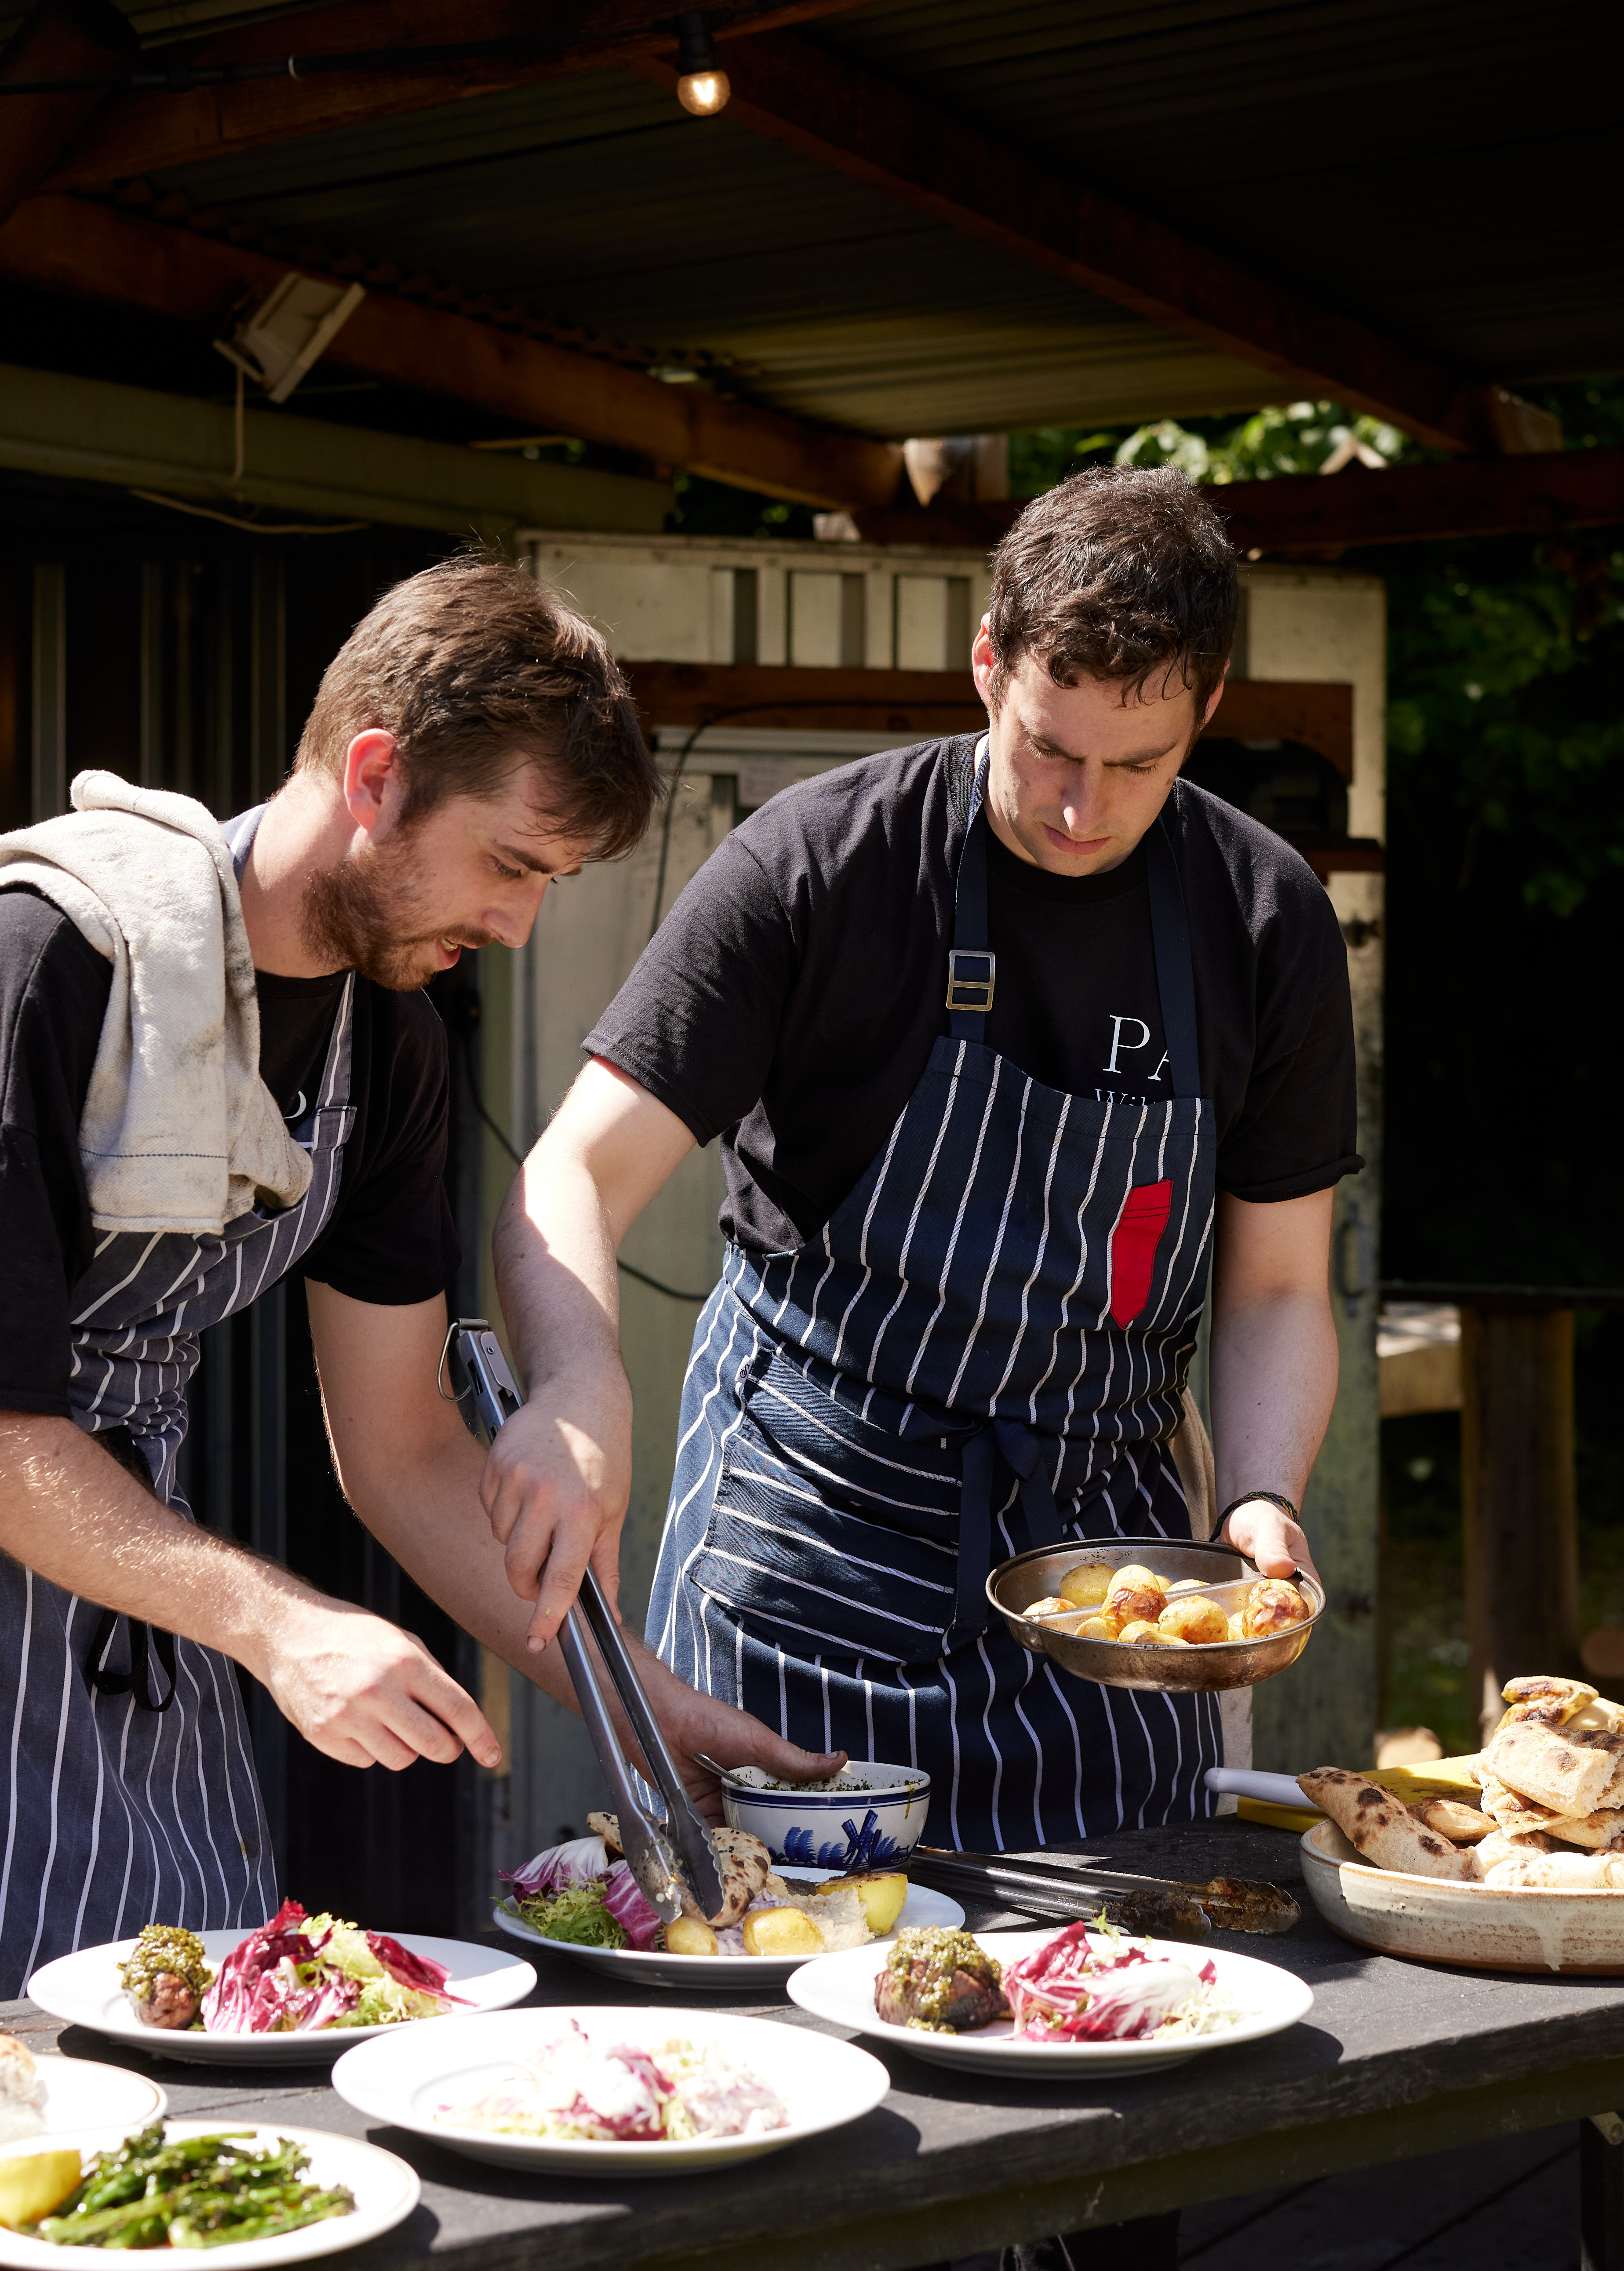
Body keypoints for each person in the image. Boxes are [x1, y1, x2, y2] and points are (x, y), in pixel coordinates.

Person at [0, 553, 825, 2004]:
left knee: (197, 2068)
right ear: (376, 776)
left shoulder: (392, 1046)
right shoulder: (41, 960)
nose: (519, 925)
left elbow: (407, 1446)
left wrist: (647, 1716)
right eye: (510, 864)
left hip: (126, 1624)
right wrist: (282, 1629)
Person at [484, 468, 1362, 1850]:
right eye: (1048, 749)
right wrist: (581, 1392)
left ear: (1209, 704)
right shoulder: (823, 865)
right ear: (986, 665)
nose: (1084, 808)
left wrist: (1257, 1499)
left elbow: (1275, 1290)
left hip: (1104, 1579)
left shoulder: (1266, 922)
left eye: (1139, 765)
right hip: (807, 1540)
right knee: (774, 1989)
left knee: (1116, 1990)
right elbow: (570, 1175)